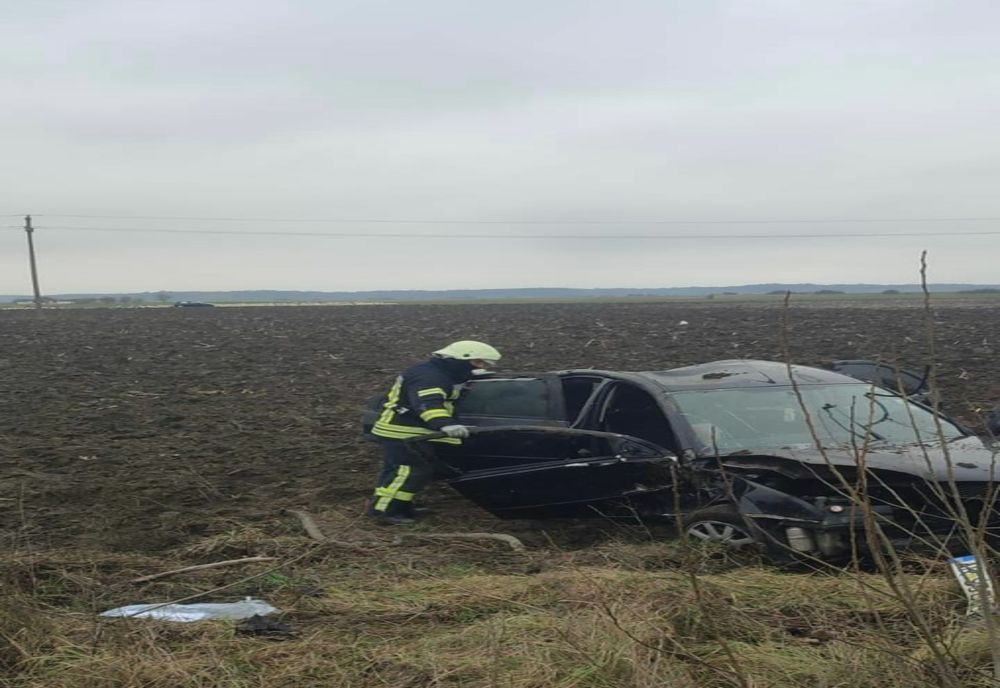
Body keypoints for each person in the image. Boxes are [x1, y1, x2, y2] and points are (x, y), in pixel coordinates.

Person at [367, 340, 502, 524]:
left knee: (398, 472)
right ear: (460, 359)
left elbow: (449, 389)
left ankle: (395, 505)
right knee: (412, 470)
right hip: (403, 432)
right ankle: (386, 512)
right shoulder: (429, 377)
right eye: (478, 362)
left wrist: (471, 377)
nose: (481, 367)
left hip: (408, 430)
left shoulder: (439, 371)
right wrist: (445, 424)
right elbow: (428, 404)